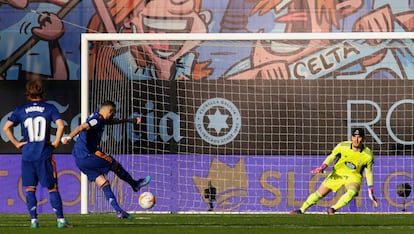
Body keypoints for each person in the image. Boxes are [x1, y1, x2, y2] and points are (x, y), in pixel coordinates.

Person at [61, 100, 151, 219]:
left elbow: (114, 121)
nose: (112, 116)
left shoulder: (99, 118)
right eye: (112, 113)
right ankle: (135, 184)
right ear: (109, 110)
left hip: (79, 160)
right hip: (88, 155)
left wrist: (131, 120)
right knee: (115, 165)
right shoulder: (97, 120)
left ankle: (119, 211)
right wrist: (68, 136)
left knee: (103, 183)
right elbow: (82, 126)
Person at [2, 80, 72, 228]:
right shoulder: (49, 108)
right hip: (43, 153)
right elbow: (60, 125)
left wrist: (16, 143)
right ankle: (60, 220)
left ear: (27, 93)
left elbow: (6, 127)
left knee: (29, 188)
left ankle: (34, 220)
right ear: (42, 92)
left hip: (27, 154)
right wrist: (56, 142)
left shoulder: (21, 109)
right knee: (52, 188)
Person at [290, 128, 378, 215]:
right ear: (351, 137)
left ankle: (333, 209)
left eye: (359, 137)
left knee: (352, 191)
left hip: (353, 176)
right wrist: (323, 167)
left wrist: (370, 189)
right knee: (319, 193)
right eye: (354, 137)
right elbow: (331, 156)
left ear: (363, 139)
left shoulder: (368, 155)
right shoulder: (342, 146)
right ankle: (301, 210)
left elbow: (369, 172)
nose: (356, 140)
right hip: (338, 174)